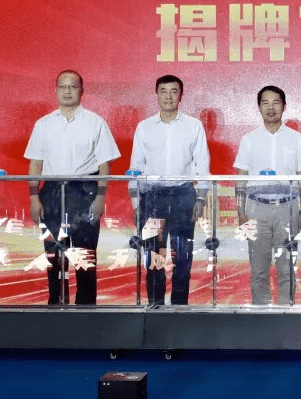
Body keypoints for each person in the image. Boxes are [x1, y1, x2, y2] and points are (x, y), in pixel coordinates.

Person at [24, 70, 120, 305]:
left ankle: (86, 312)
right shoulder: (43, 124)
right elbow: (35, 164)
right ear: (56, 90)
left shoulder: (95, 123)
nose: (67, 91)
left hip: (84, 192)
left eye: (73, 86)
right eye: (63, 86)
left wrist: (100, 198)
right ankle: (56, 308)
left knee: (85, 258)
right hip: (52, 193)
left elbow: (104, 165)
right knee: (54, 256)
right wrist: (34, 198)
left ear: (81, 91)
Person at [129, 75, 210, 305]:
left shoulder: (193, 126)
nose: (168, 96)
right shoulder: (144, 127)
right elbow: (136, 168)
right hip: (153, 199)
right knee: (153, 254)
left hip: (183, 197)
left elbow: (202, 165)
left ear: (181, 95)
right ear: (156, 94)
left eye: (174, 91)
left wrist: (200, 199)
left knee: (183, 255)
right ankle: (155, 305)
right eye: (163, 91)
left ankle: (179, 307)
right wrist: (136, 203)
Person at [233, 86, 301, 305]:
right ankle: (261, 315)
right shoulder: (249, 139)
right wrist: (240, 211)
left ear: (284, 106)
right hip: (256, 209)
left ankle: (286, 313)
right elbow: (241, 178)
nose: (271, 108)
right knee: (259, 270)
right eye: (265, 103)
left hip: (288, 209)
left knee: (287, 269)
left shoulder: (296, 139)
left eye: (276, 102)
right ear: (259, 107)